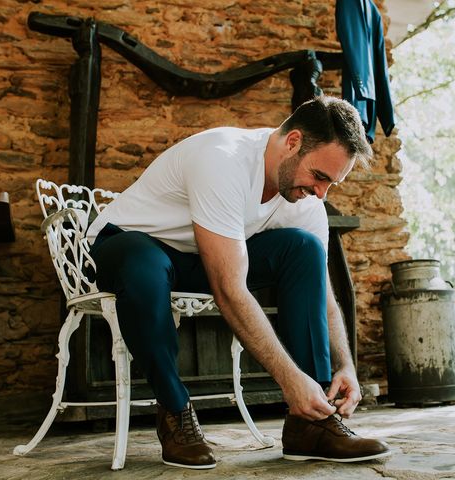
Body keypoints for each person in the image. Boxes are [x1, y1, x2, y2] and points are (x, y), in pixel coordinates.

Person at [86, 95, 390, 469]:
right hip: (129, 242)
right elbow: (230, 289)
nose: (321, 193)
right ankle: (175, 410)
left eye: (333, 184)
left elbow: (323, 294)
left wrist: (346, 365)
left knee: (305, 249)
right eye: (320, 177)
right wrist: (288, 380)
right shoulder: (224, 158)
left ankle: (312, 422)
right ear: (292, 142)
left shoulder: (305, 199)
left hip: (198, 258)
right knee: (145, 266)